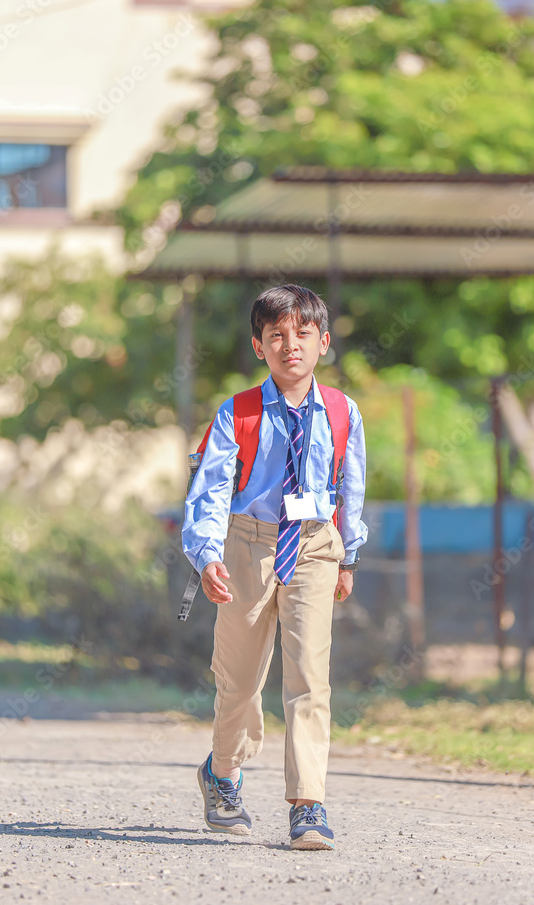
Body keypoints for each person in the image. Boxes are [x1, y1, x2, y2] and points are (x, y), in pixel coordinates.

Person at [181, 284, 368, 850]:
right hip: (247, 546)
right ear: (259, 346)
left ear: (323, 342)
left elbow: (351, 484)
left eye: (302, 335)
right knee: (239, 681)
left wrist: (347, 555)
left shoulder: (342, 411)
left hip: (313, 544)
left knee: (310, 677)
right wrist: (207, 554)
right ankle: (222, 772)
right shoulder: (236, 412)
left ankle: (307, 805)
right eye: (277, 336)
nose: (291, 346)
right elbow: (210, 491)